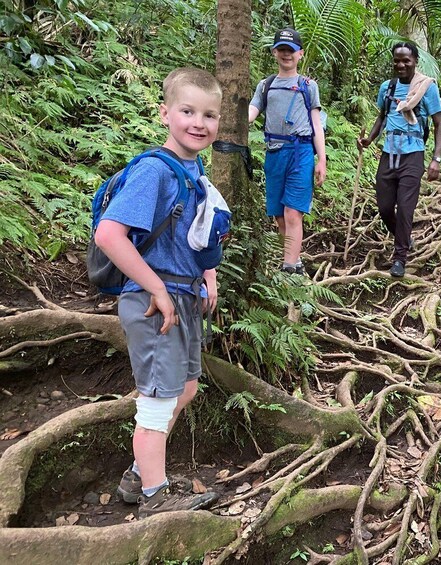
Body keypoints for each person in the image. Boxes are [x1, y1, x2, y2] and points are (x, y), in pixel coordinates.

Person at [94, 67, 222, 517]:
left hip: (182, 297)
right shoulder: (153, 171)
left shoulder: (194, 168)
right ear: (166, 113)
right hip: (153, 302)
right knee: (157, 400)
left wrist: (206, 277)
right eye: (187, 111)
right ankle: (156, 498)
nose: (198, 123)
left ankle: (138, 475)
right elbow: (110, 235)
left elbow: (196, 233)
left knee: (184, 388)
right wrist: (157, 289)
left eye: (209, 114)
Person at [358, 42, 441, 278]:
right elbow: (381, 116)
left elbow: (439, 124)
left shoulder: (427, 88)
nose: (401, 64)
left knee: (406, 208)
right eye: (397, 60)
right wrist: (370, 140)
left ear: (416, 61)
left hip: (413, 154)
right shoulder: (387, 87)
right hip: (389, 153)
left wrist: (436, 158)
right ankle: (404, 238)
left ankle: (400, 258)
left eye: (406, 60)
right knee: (385, 207)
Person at [249, 27, 327, 275]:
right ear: (274, 52)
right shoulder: (265, 85)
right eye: (282, 50)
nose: (286, 55)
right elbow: (251, 113)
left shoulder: (307, 86)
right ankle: (292, 259)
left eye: (291, 50)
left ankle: (289, 268)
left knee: (293, 212)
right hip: (274, 153)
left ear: (300, 54)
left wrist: (321, 160)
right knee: (280, 217)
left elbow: (317, 124)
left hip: (301, 152)